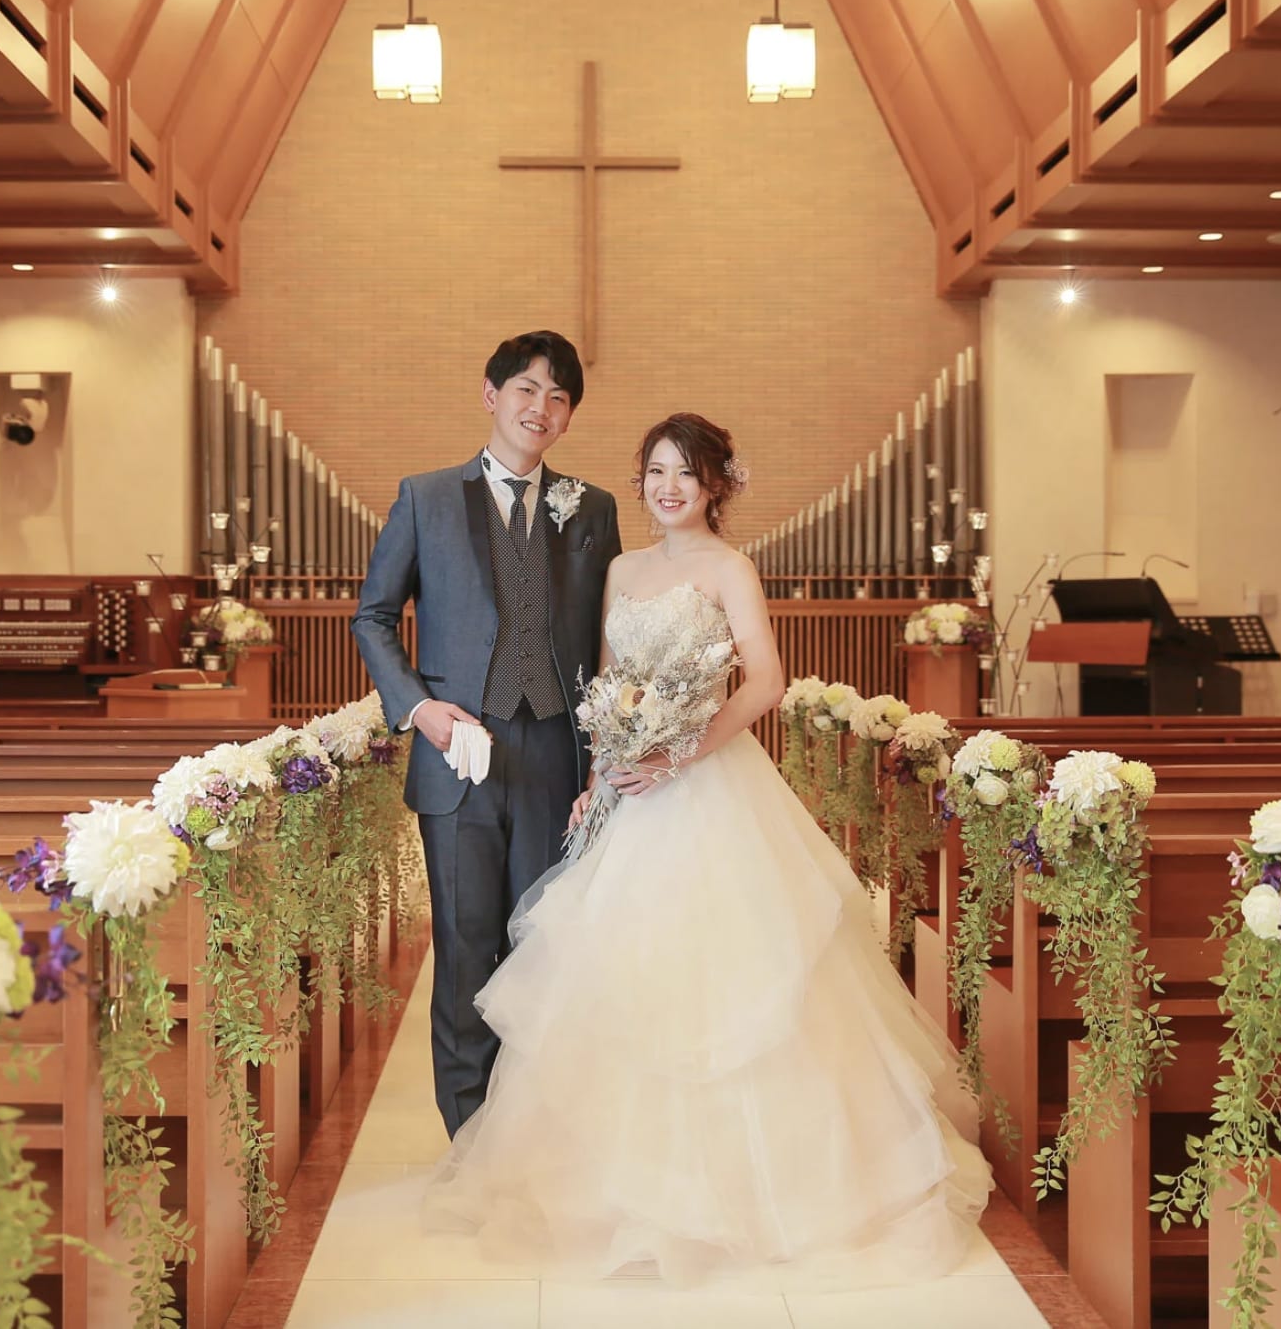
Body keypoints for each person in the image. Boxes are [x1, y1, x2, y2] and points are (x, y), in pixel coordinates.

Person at [424, 412, 992, 1287]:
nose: (668, 488)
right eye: (656, 471)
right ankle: (620, 1187)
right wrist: (602, 774)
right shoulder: (621, 569)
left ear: (716, 485)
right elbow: (609, 685)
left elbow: (764, 681)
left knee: (730, 980)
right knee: (619, 980)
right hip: (631, 792)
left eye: (686, 473)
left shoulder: (731, 568)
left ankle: (757, 1191)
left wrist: (679, 752)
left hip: (710, 786)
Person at [351, 330, 623, 1137]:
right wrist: (418, 707)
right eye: (527, 389)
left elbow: (611, 633)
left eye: (559, 397)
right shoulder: (426, 498)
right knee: (466, 949)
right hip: (458, 755)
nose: (542, 407)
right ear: (491, 395)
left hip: (556, 759)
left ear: (568, 417)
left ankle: (533, 1134)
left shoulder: (592, 508)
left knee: (544, 947)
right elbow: (372, 616)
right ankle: (469, 1140)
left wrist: (609, 752)